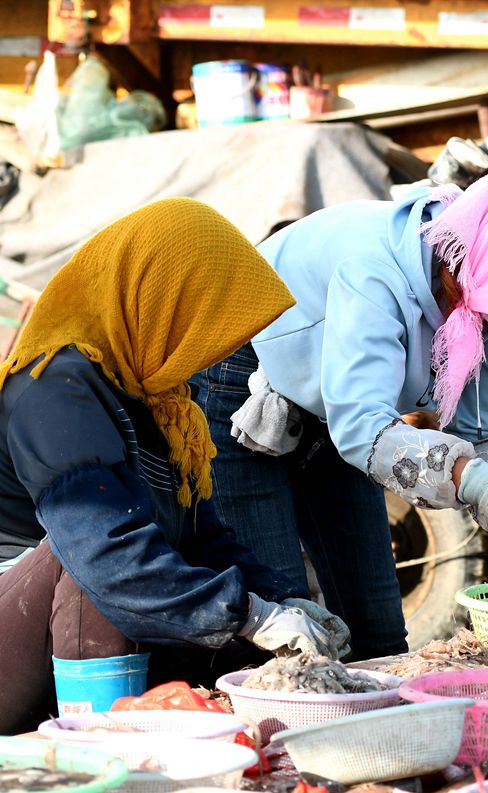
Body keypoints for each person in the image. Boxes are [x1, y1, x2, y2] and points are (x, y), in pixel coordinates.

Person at [191, 163, 488, 659]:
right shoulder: (376, 272)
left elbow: (482, 431)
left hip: (342, 410)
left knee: (379, 637)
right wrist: (471, 481)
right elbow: (362, 429)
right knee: (287, 629)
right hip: (248, 376)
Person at [0, 198, 351, 735]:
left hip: (93, 620)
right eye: (205, 325)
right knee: (94, 565)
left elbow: (203, 536)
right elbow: (109, 559)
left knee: (251, 657)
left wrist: (284, 599)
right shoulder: (55, 387)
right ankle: (98, 747)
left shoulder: (158, 401)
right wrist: (250, 616)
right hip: (21, 639)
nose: (212, 353)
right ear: (159, 303)